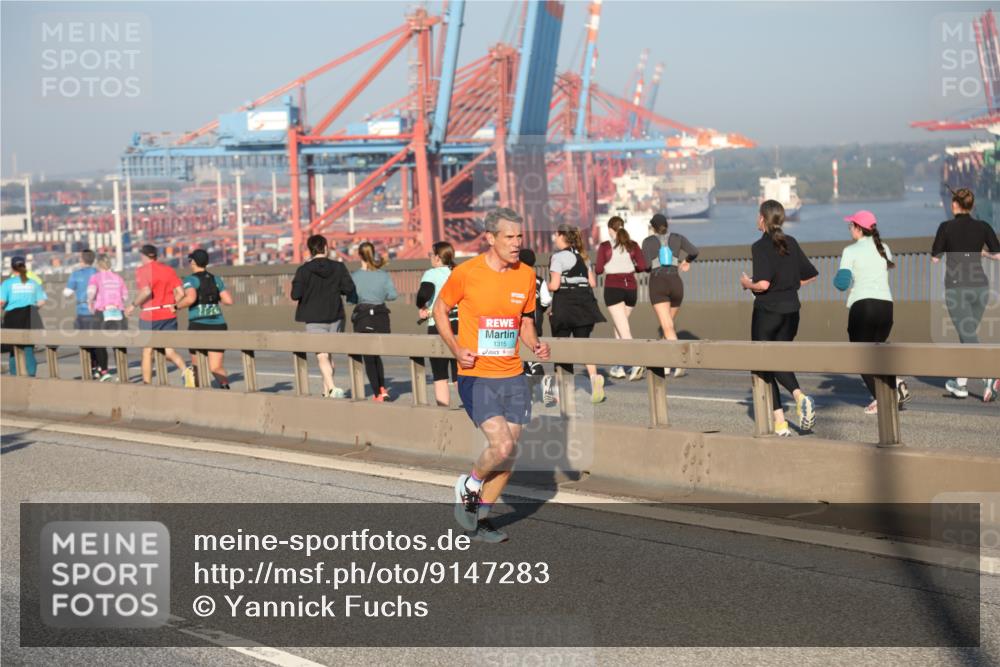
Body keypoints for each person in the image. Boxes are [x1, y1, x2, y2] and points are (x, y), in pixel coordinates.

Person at [433, 207, 550, 543]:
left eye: (519, 237)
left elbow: (525, 321)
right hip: (478, 374)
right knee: (501, 447)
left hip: (513, 374)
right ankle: (469, 483)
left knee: (508, 455)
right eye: (509, 237)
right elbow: (440, 309)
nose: (516, 243)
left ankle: (480, 518)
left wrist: (535, 344)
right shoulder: (467, 273)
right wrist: (456, 348)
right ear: (490, 238)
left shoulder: (526, 274)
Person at [739, 200, 819, 436]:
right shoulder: (791, 242)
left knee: (763, 363)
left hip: (768, 312)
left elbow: (762, 284)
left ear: (762, 218)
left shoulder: (760, 246)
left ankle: (792, 405)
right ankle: (783, 420)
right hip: (792, 311)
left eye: (758, 216)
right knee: (778, 360)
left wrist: (746, 284)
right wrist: (790, 285)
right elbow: (811, 275)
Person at [834, 210, 910, 414]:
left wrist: (837, 279)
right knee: (876, 353)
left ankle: (883, 397)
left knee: (861, 355)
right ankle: (893, 383)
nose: (849, 229)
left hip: (864, 307)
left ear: (859, 228)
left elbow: (842, 284)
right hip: (886, 307)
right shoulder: (884, 247)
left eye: (851, 225)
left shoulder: (850, 250)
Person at [931, 188, 1000, 402]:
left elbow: (935, 257)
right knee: (967, 335)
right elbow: (998, 255)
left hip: (957, 288)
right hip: (981, 288)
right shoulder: (983, 226)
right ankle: (960, 385)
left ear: (954, 205)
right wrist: (981, 253)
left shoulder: (946, 227)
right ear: (971, 206)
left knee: (968, 335)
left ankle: (989, 375)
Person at [547, 223, 607, 404]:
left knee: (561, 348)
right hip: (585, 305)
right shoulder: (584, 257)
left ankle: (558, 392)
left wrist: (545, 285)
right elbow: (593, 283)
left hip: (565, 305)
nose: (554, 239)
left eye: (555, 236)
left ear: (561, 236)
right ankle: (595, 379)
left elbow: (555, 285)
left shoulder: (558, 257)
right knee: (584, 345)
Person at [291, 234, 356, 398]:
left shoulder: (303, 270)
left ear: (310, 250)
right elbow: (348, 289)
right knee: (329, 354)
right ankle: (326, 391)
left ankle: (333, 387)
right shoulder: (339, 267)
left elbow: (295, 294)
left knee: (321, 355)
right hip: (335, 314)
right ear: (326, 248)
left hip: (313, 317)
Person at [641, 213, 699, 378]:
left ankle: (679, 362)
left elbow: (645, 266)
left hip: (658, 283)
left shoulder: (648, 242)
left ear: (652, 227)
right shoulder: (678, 238)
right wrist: (686, 261)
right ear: (667, 225)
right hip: (676, 283)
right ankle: (666, 365)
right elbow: (694, 251)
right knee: (669, 326)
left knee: (666, 327)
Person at [124, 244, 192, 386]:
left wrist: (133, 305)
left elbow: (146, 291)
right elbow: (180, 293)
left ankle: (147, 384)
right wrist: (174, 306)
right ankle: (186, 370)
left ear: (143, 256)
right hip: (168, 314)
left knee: (147, 352)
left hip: (150, 315)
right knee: (169, 351)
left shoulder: (142, 270)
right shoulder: (168, 270)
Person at [596, 215, 648, 381]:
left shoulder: (605, 246)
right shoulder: (633, 245)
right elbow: (642, 266)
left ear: (610, 229)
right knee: (620, 326)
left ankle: (637, 362)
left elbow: (598, 270)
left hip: (613, 288)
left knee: (624, 330)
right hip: (631, 289)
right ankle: (619, 366)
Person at [175, 249, 234, 389]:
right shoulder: (216, 279)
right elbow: (228, 300)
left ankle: (199, 393)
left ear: (194, 262)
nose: (189, 263)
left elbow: (190, 298)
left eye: (190, 260)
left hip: (198, 325)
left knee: (198, 366)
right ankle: (225, 388)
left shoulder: (190, 279)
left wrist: (176, 306)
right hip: (218, 325)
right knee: (216, 366)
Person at [349, 242, 397, 402]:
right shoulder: (383, 275)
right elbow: (392, 295)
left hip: (363, 317)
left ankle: (378, 393)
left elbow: (351, 300)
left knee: (368, 358)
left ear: (359, 255)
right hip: (381, 317)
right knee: (376, 355)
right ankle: (382, 389)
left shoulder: (355, 276)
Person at [417, 242, 460, 406]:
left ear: (437, 257)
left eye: (431, 254)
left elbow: (423, 294)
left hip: (439, 325)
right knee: (460, 372)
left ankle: (443, 413)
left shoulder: (431, 274)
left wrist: (422, 306)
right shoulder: (459, 272)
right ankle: (473, 410)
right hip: (460, 325)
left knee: (440, 374)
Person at [1, 256, 47, 377]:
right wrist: (33, 308)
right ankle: (31, 375)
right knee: (28, 347)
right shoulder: (33, 282)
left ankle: (15, 375)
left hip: (13, 317)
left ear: (12, 268)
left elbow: (1, 301)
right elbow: (42, 301)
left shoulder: (7, 283)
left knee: (13, 348)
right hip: (31, 316)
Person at [86, 254, 129, 381]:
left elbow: (91, 293)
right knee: (119, 343)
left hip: (102, 312)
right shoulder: (118, 278)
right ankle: (122, 374)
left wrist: (90, 302)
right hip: (118, 311)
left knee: (100, 343)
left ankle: (104, 372)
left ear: (98, 265)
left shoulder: (95, 277)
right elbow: (125, 296)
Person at [64, 249, 103, 379]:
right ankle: (99, 367)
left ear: (82, 260)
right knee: (97, 341)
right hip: (97, 311)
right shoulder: (98, 273)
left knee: (85, 342)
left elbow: (67, 293)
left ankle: (90, 368)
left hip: (83, 311)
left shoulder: (76, 274)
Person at [518, 248, 552, 386]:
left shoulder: (515, 279)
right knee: (530, 356)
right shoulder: (539, 280)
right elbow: (546, 301)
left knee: (531, 358)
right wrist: (541, 310)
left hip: (522, 324)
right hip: (537, 321)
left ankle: (545, 383)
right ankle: (530, 388)